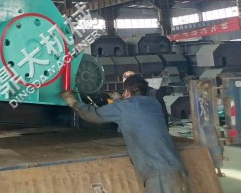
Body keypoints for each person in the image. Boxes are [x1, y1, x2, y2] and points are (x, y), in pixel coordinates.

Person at [61, 75, 189, 193]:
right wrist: (119, 101)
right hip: (178, 169)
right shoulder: (154, 104)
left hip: (158, 176)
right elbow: (138, 117)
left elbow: (93, 115)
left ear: (127, 92)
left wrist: (73, 102)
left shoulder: (123, 107)